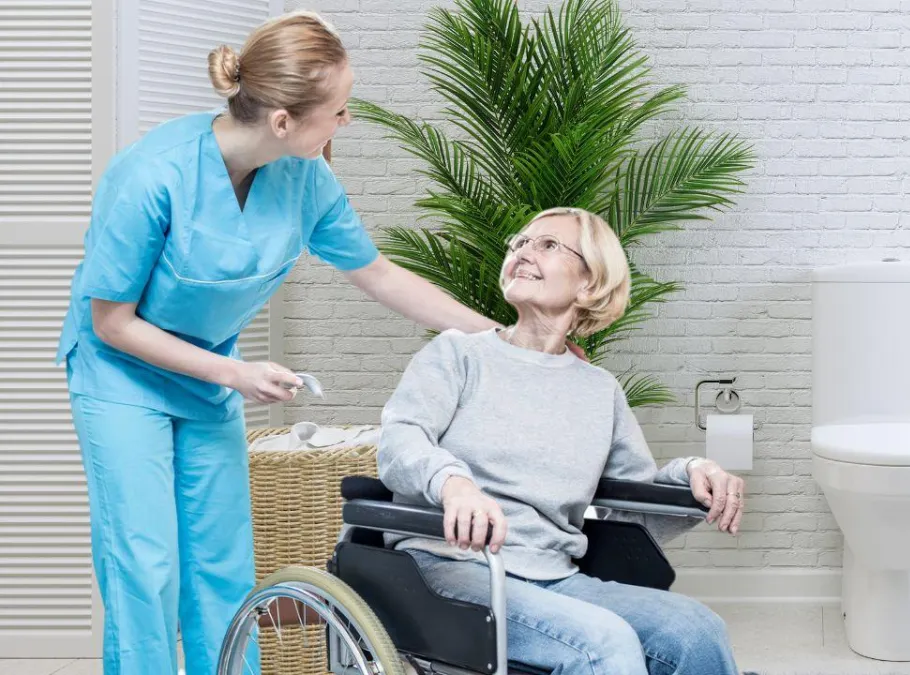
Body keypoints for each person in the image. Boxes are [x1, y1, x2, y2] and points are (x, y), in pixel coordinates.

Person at [55, 11, 546, 675]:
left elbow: (380, 275)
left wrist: (501, 337)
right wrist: (234, 373)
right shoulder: (150, 175)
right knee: (146, 565)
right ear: (283, 120)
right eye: (339, 111)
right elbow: (112, 321)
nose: (347, 123)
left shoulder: (305, 177)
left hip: (210, 378)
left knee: (222, 565)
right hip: (121, 376)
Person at [378, 207, 748, 674]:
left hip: (555, 575)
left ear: (588, 285)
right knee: (605, 645)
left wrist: (693, 473)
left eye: (548, 245)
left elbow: (634, 507)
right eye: (520, 243)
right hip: (450, 568)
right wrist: (455, 484)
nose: (522, 252)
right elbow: (400, 439)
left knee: (696, 630)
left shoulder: (599, 390)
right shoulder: (458, 354)